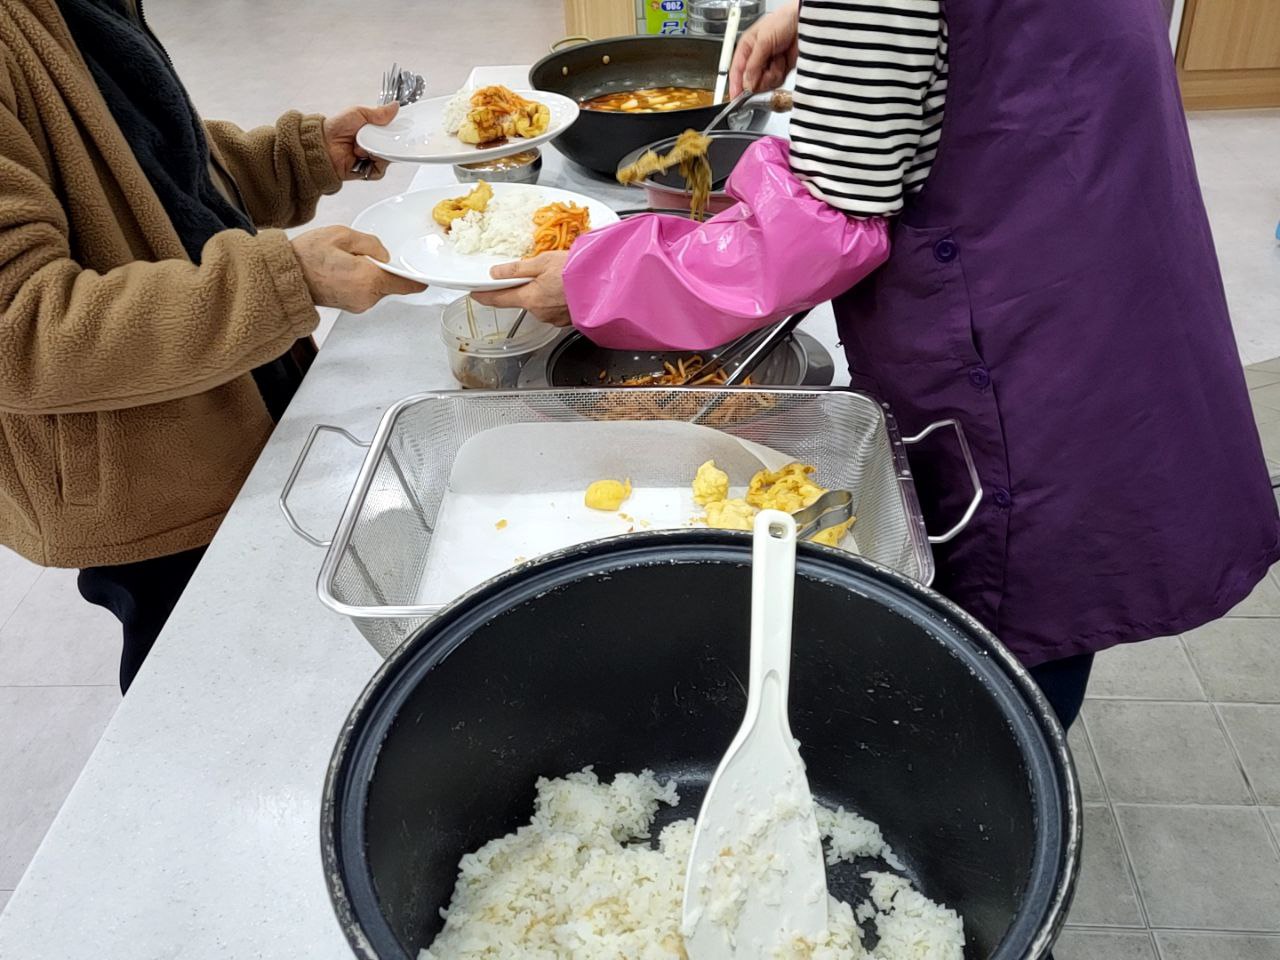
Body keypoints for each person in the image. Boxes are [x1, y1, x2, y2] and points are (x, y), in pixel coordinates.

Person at [476, 0, 1280, 728]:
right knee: (1058, 558)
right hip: (1102, 244)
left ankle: (985, 808)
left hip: (1009, 321)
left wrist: (598, 277)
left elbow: (830, 225)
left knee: (1011, 600)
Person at [0, 0, 423, 692]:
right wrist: (284, 277)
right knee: (200, 680)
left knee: (288, 645)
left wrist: (295, 158)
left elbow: (148, 163)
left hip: (231, 390)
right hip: (147, 474)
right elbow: (22, 331)